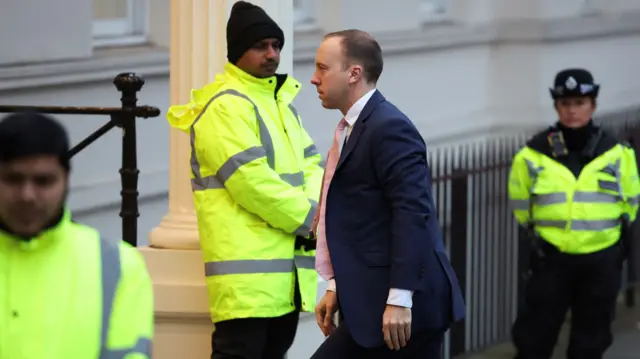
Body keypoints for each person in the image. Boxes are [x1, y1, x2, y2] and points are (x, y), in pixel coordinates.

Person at [166, 2, 323, 359]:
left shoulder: (280, 103)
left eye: (276, 45)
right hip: (248, 281)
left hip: (285, 275)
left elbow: (314, 165)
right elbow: (251, 184)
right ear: (238, 52)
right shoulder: (225, 107)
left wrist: (315, 210)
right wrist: (312, 219)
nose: (272, 54)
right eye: (260, 46)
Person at [308, 29, 466, 359]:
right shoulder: (356, 127)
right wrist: (337, 286)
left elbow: (413, 215)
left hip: (404, 311)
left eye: (323, 68)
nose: (313, 78)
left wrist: (399, 298)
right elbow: (362, 222)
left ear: (354, 73)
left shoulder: (388, 127)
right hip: (370, 301)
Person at [508, 68, 640, 359]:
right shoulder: (533, 153)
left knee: (590, 343)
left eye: (579, 103)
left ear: (593, 105)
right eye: (565, 104)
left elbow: (631, 202)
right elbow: (520, 203)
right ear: (557, 106)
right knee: (534, 340)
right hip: (551, 257)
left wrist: (611, 243)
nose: (572, 111)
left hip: (601, 259)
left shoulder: (617, 152)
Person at [0, 112, 153, 359]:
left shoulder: (117, 267)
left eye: (43, 181)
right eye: (13, 179)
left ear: (66, 180)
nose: (27, 195)